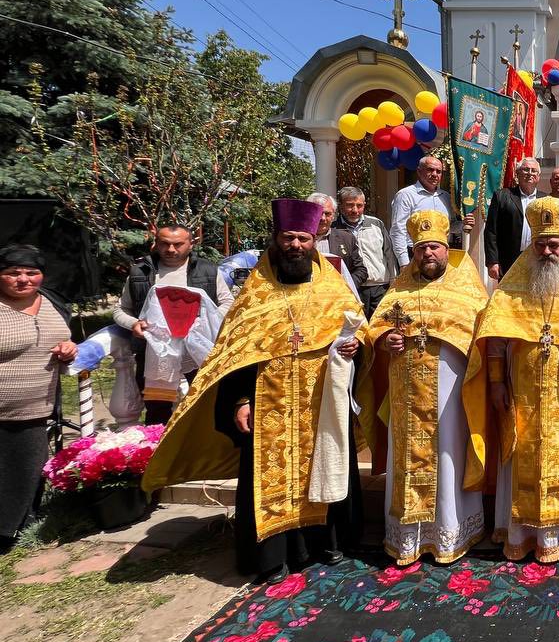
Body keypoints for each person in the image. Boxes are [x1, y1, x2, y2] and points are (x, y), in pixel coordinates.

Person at [143, 199, 365, 582]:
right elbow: (234, 354)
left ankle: (327, 544)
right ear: (276, 238)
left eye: (303, 238)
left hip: (321, 403)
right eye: (288, 237)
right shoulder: (254, 295)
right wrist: (240, 401)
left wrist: (355, 346)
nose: (295, 245)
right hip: (267, 404)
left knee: (325, 465)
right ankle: (272, 557)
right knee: (268, 476)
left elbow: (360, 332)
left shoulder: (334, 289)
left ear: (314, 240)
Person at [468, 197, 559, 561]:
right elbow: (496, 336)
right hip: (520, 390)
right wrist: (497, 381)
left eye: (554, 245)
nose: (547, 252)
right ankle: (519, 534)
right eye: (541, 245)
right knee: (521, 455)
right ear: (531, 245)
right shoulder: (513, 286)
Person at [358, 210, 490, 565]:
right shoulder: (400, 286)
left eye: (434, 247)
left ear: (447, 248)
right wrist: (385, 338)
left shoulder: (466, 285)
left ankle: (451, 530)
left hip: (450, 388)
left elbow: (481, 326)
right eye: (420, 249)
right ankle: (409, 538)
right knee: (406, 456)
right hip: (406, 390)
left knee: (449, 452)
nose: (427, 254)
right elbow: (375, 326)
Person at [113, 224, 234, 425]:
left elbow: (228, 303)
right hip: (154, 352)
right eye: (165, 244)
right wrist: (134, 324)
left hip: (197, 352)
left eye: (178, 244)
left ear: (191, 244)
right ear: (156, 243)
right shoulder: (139, 272)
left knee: (206, 403)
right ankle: (159, 442)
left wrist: (206, 322)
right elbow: (120, 310)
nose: (170, 249)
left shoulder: (208, 270)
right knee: (157, 409)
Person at [0, 246, 76, 553]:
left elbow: (62, 336)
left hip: (37, 405)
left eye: (31, 273)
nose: (23, 279)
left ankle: (19, 526)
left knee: (28, 467)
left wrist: (68, 348)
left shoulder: (52, 301)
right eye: (13, 273)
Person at [390, 155, 468, 268]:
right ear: (419, 171)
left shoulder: (446, 197)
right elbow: (398, 230)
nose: (435, 174)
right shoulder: (405, 195)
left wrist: (463, 224)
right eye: (430, 170)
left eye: (439, 171)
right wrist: (404, 263)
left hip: (440, 256)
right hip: (415, 255)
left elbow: (450, 226)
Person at [336, 186, 397, 315]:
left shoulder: (376, 224)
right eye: (350, 205)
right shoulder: (335, 229)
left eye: (359, 206)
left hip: (380, 287)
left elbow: (389, 253)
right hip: (352, 288)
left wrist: (393, 281)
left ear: (364, 205)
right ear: (340, 206)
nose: (355, 210)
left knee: (380, 323)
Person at [483, 157, 545, 281]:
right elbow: (491, 231)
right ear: (517, 173)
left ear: (538, 177)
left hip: (537, 260)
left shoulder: (545, 200)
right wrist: (492, 261)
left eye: (534, 171)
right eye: (526, 170)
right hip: (509, 260)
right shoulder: (502, 196)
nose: (530, 173)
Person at [309, 192, 368, 291]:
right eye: (318, 213)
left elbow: (361, 270)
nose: (323, 218)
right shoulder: (297, 239)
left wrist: (346, 286)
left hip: (338, 295)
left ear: (333, 215)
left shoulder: (346, 238)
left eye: (327, 214)